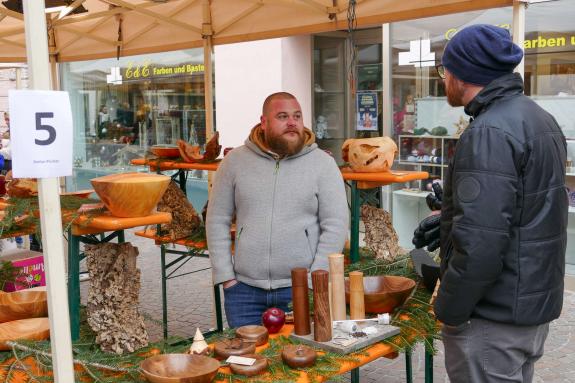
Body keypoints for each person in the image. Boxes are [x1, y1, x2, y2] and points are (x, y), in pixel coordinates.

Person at [417, 24, 568, 382]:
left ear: (464, 74)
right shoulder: (539, 119)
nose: (443, 79)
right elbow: (524, 214)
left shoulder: (489, 131)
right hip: (525, 309)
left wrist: (448, 309)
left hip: (492, 320)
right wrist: (452, 218)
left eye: (445, 70)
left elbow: (481, 246)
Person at [206, 92, 349, 328]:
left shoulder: (322, 164)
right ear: (264, 122)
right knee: (247, 361)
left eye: (297, 116)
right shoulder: (235, 162)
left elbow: (335, 223)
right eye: (282, 116)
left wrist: (316, 279)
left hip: (300, 290)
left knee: (299, 361)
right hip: (243, 292)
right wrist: (226, 277)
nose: (292, 122)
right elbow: (217, 219)